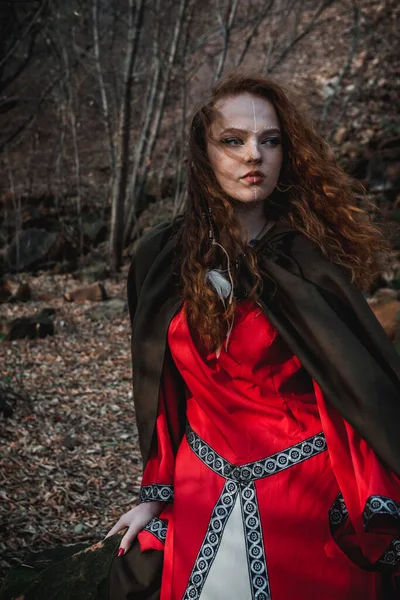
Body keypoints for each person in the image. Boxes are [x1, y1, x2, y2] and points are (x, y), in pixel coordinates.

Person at [106, 71, 400, 600]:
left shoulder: (308, 260)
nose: (253, 156)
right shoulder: (159, 258)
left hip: (306, 496)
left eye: (269, 140)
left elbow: (361, 386)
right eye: (233, 140)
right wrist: (155, 492)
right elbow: (160, 392)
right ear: (204, 152)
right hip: (201, 484)